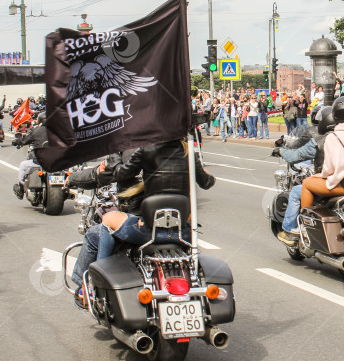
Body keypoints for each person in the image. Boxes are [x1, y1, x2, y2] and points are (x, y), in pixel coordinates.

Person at [70, 139, 216, 303]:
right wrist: (207, 174)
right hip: (183, 231)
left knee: (107, 219)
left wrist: (114, 151)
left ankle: (95, 284)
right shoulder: (188, 152)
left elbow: (120, 173)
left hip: (150, 230)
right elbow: (207, 182)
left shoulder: (146, 150)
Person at [296, 97, 344, 237]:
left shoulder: (334, 137)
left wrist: (322, 175)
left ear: (335, 115)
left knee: (307, 184)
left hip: (339, 186)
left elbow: (328, 169)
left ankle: (305, 224)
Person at [274, 107, 333, 245]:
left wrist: (280, 151)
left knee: (296, 192)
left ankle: (290, 230)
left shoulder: (323, 141)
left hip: (331, 184)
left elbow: (295, 154)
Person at [13, 112, 48, 199]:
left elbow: (24, 141)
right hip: (56, 161)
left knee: (23, 165)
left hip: (39, 162)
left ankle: (21, 190)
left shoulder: (36, 131)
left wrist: (17, 141)